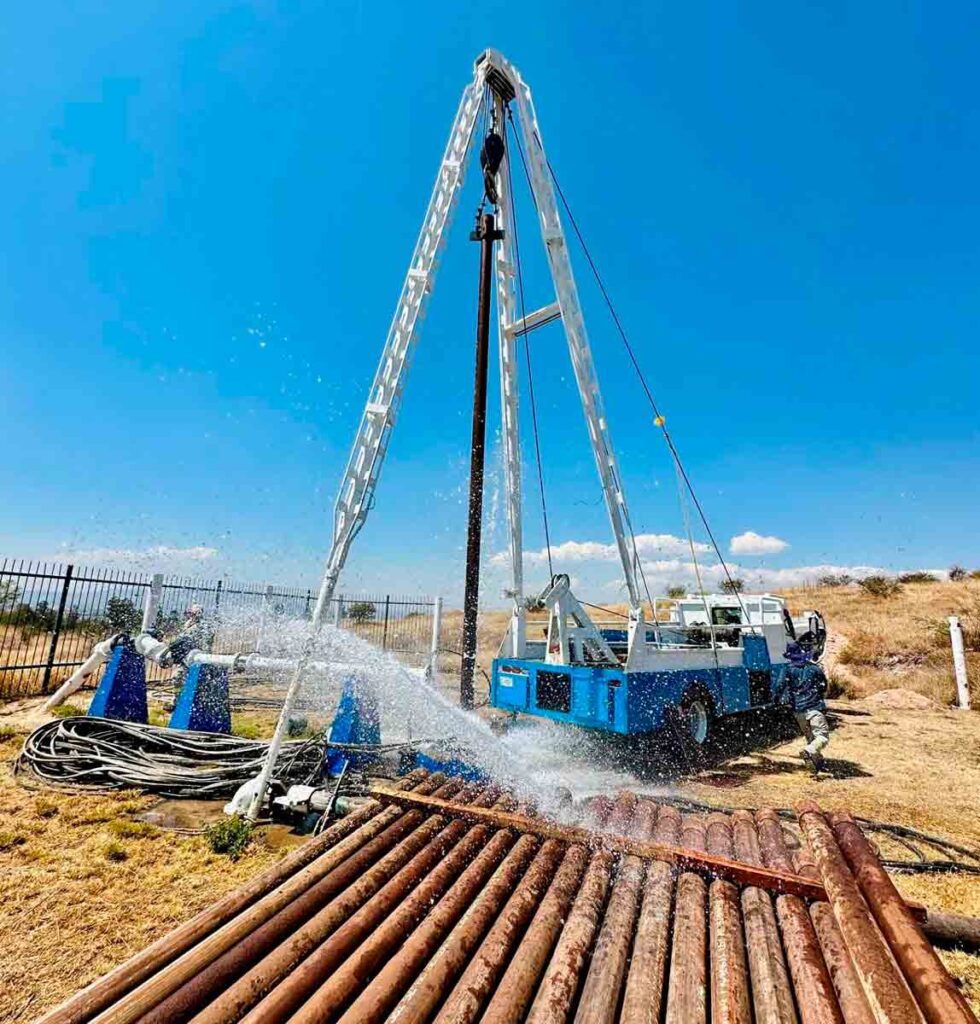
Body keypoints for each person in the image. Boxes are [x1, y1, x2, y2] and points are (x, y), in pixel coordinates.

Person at [776, 641, 830, 771]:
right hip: (815, 708)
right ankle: (809, 751)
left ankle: (817, 764)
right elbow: (824, 686)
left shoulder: (787, 669)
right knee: (822, 737)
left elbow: (779, 686)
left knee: (811, 738)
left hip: (798, 710)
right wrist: (819, 696)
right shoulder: (814, 669)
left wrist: (777, 700)